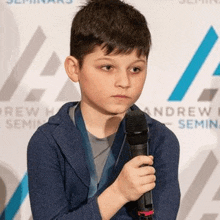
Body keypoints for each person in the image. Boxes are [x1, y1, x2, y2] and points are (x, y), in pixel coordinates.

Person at [27, 0, 181, 219]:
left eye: (135, 69)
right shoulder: (48, 140)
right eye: (107, 67)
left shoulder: (161, 140)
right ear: (74, 68)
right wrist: (118, 193)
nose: (124, 81)